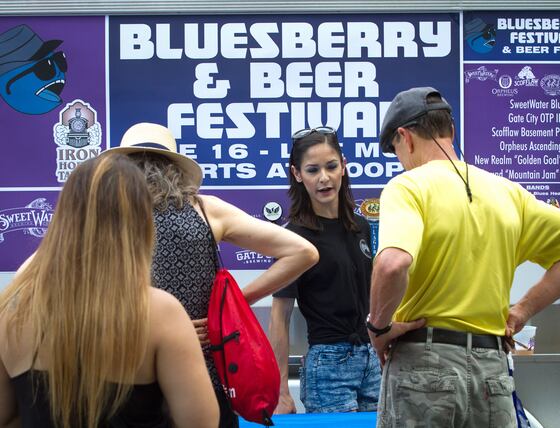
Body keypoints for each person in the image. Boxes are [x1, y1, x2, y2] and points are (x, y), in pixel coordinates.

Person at [368, 86, 560, 427]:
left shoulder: (409, 186)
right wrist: (520, 311)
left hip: (424, 364)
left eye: (396, 149)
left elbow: (393, 263)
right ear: (452, 130)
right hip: (492, 370)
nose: (400, 159)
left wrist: (378, 326)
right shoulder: (508, 192)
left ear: (406, 137)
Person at [107, 122, 319, 428]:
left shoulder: (105, 218)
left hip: (127, 376)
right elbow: (303, 252)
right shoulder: (206, 210)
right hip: (202, 377)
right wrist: (232, 306)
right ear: (175, 168)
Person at [0, 154, 219, 428]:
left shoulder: (12, 310)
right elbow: (201, 423)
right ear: (142, 222)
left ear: (63, 216)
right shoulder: (160, 313)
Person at [269, 126, 410, 414]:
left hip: (373, 358)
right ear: (297, 174)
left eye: (331, 166)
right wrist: (281, 391)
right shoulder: (292, 238)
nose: (324, 178)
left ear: (343, 167)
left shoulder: (359, 226)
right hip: (327, 365)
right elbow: (278, 318)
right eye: (312, 170)